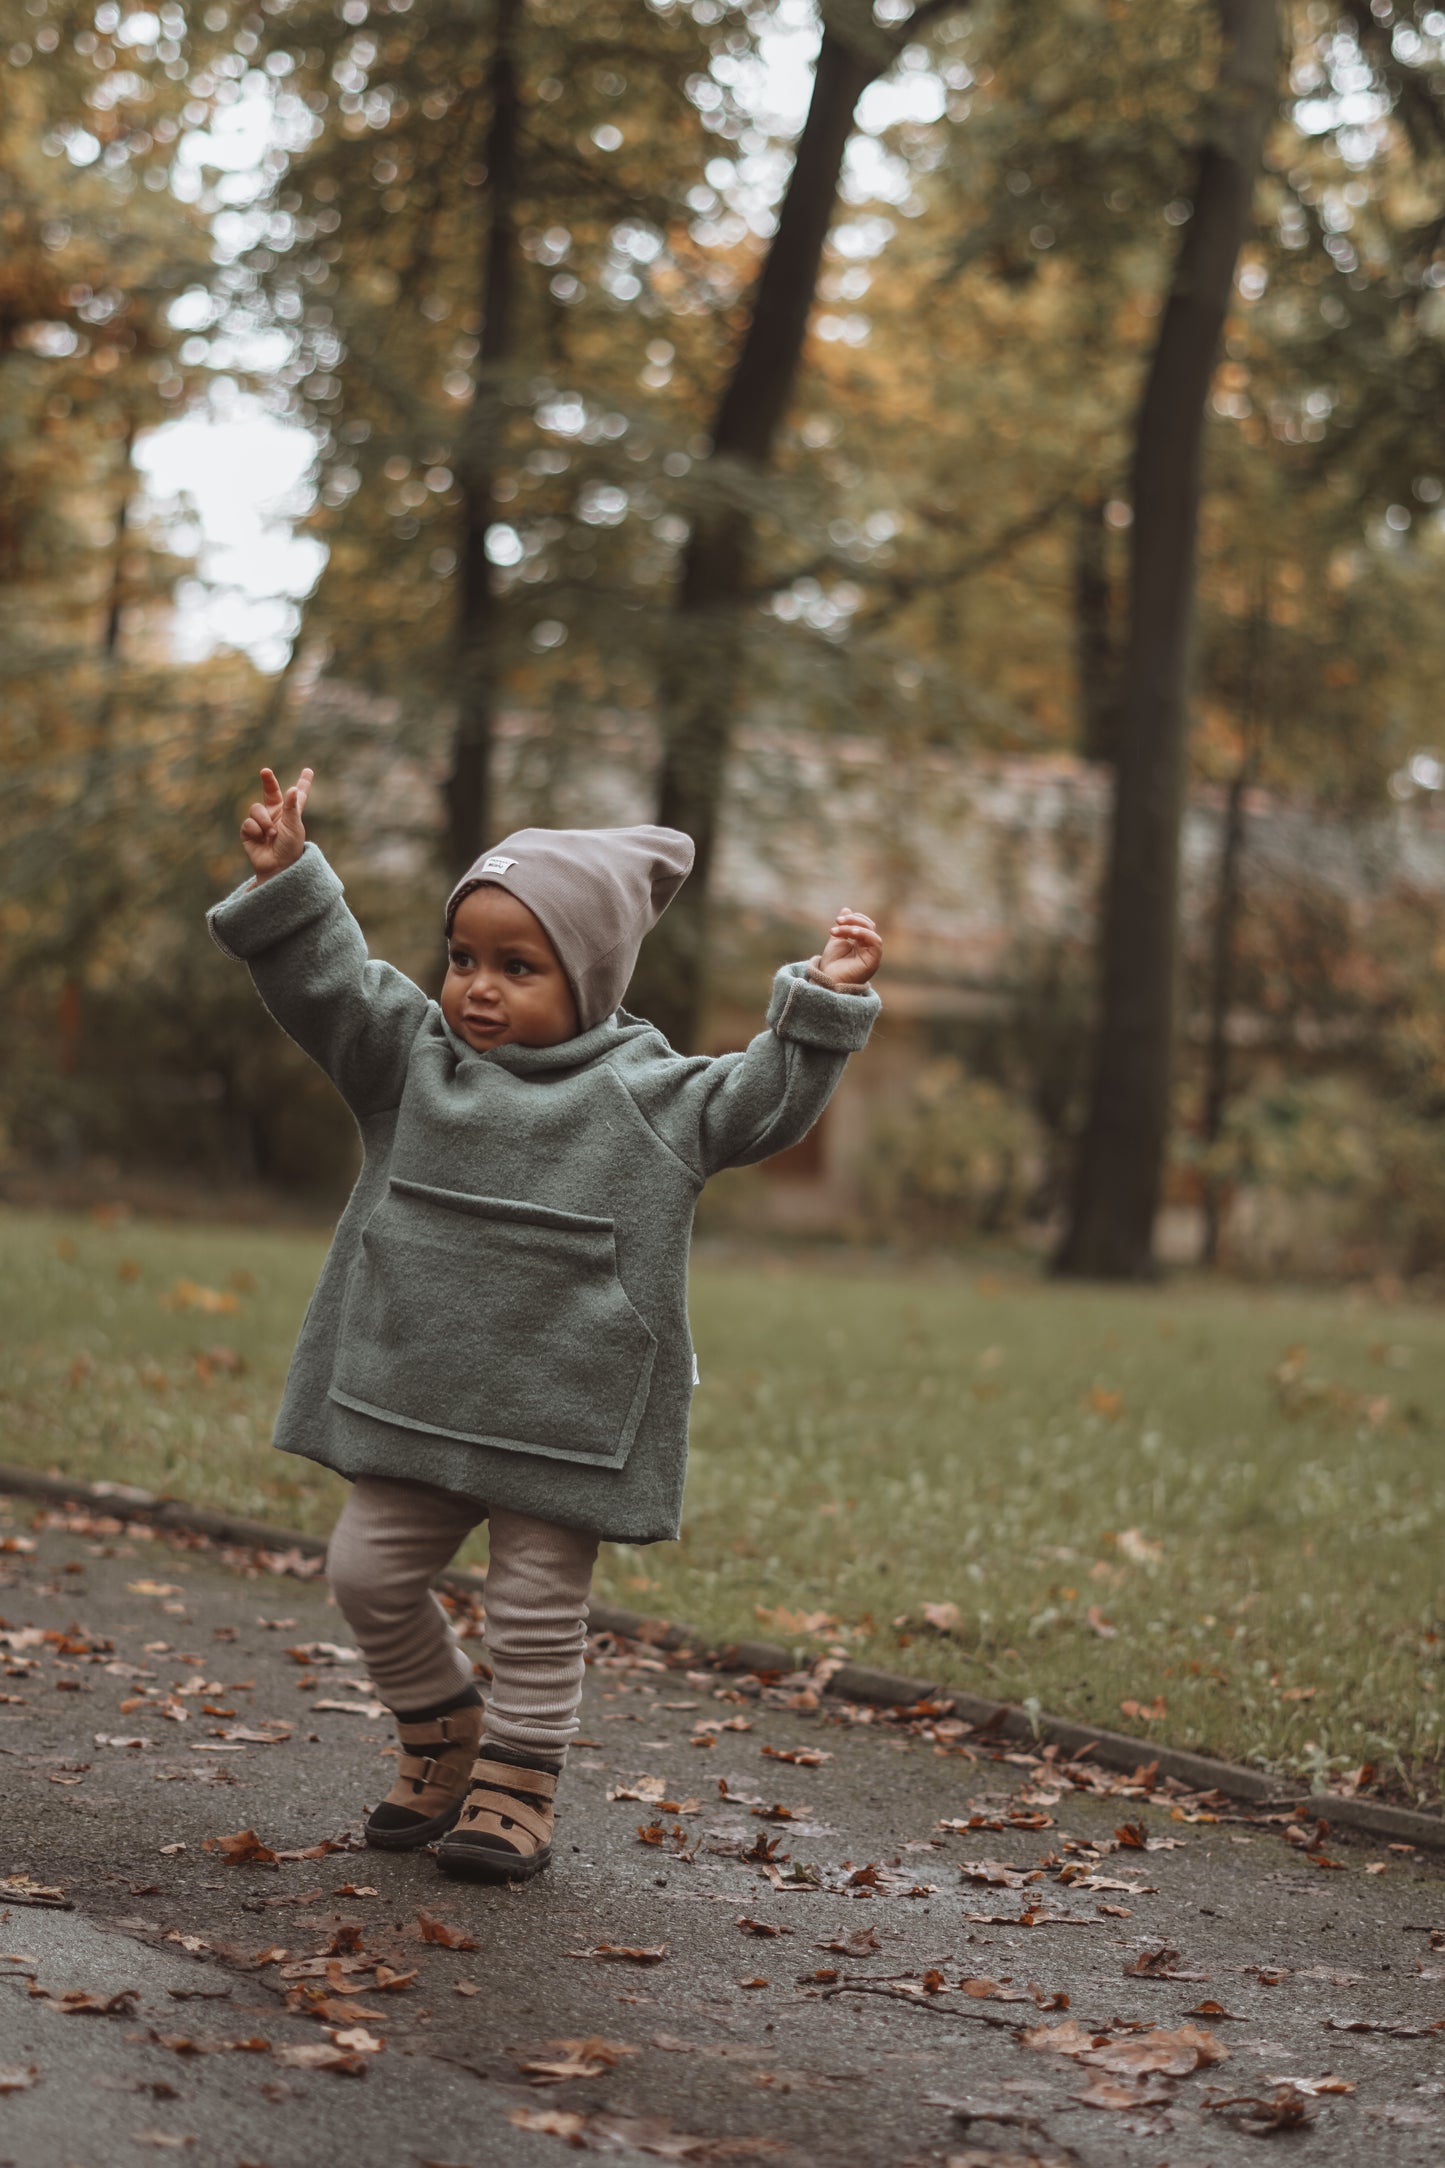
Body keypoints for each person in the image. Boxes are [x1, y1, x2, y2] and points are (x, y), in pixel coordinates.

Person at [208, 764, 882, 1883]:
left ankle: (517, 1782)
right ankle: (441, 1729)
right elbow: (332, 987)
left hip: (558, 1409)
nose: (477, 987)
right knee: (366, 1572)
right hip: (416, 1392)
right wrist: (291, 875)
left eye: (518, 967)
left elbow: (758, 1099)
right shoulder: (409, 1063)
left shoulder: (651, 1093)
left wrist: (818, 998)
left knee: (529, 1606)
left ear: (591, 976)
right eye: (463, 956)